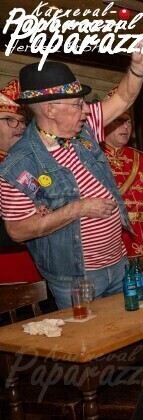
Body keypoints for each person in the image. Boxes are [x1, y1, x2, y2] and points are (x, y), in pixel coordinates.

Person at [0, 36, 143, 309]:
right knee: (90, 336)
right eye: (77, 104)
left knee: (129, 328)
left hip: (118, 262)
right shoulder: (19, 165)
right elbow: (17, 231)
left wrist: (138, 66)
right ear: (50, 109)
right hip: (77, 278)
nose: (86, 109)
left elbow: (123, 98)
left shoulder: (84, 130)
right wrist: (78, 208)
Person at [101, 105, 143, 258]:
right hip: (112, 237)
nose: (126, 127)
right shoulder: (92, 157)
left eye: (129, 122)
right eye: (119, 121)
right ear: (104, 123)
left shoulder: (141, 159)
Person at [0, 79, 40, 284]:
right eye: (9, 120)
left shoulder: (31, 163)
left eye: (23, 121)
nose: (20, 127)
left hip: (37, 268)